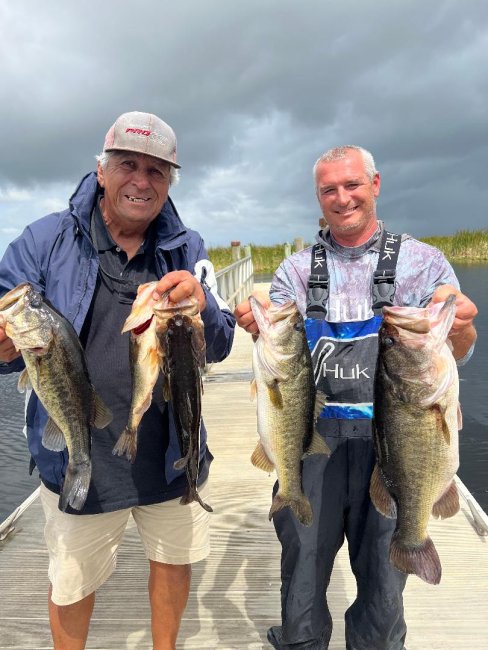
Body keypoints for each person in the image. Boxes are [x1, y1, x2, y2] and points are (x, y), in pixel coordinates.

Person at [0, 111, 235, 649]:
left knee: (172, 563)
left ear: (169, 182)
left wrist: (202, 307)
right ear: (101, 170)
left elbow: (221, 343)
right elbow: (11, 338)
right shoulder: (44, 240)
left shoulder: (187, 248)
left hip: (171, 450)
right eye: (128, 164)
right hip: (79, 451)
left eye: (157, 171)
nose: (141, 181)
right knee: (72, 581)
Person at [234, 145, 477, 650]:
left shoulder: (423, 262)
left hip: (392, 445)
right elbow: (275, 340)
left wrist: (461, 329)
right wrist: (256, 319)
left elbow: (461, 349)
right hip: (312, 443)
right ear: (318, 197)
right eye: (329, 189)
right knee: (301, 570)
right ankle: (301, 641)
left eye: (352, 185)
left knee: (384, 586)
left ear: (375, 184)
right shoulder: (296, 271)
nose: (342, 198)